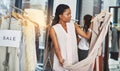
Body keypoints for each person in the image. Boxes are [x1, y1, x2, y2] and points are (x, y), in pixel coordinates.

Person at [49, 4, 92, 71]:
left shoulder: (73, 25)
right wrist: (60, 59)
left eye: (70, 14)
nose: (70, 16)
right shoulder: (54, 29)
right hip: (62, 60)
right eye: (68, 14)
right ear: (60, 16)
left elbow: (87, 36)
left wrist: (91, 24)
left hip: (73, 60)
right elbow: (56, 46)